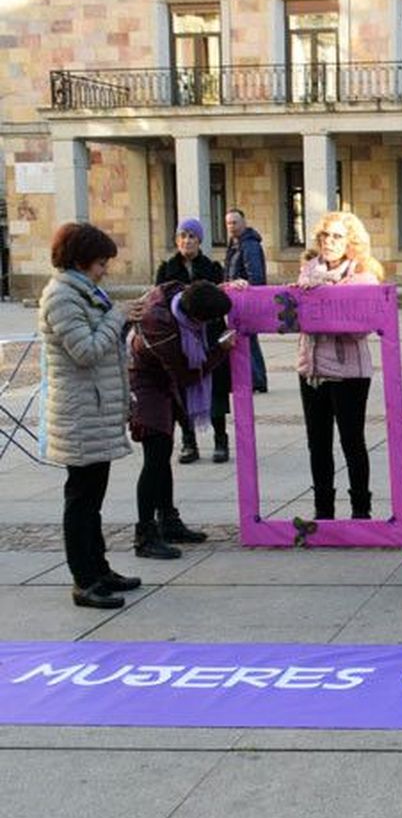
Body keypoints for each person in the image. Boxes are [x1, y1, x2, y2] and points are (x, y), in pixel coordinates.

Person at [37, 222, 147, 609]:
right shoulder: (61, 297)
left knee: (92, 498)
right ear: (81, 260)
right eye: (101, 263)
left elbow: (102, 342)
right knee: (81, 500)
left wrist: (122, 318)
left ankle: (99, 568)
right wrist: (118, 317)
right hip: (79, 413)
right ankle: (84, 580)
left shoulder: (83, 291)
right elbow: (85, 351)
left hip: (94, 410)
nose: (105, 271)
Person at [127, 280, 234, 560]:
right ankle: (145, 535)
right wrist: (220, 351)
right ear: (197, 317)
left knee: (162, 455)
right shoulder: (160, 325)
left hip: (162, 382)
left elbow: (213, 289)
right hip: (145, 383)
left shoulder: (178, 293)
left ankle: (169, 520)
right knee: (156, 457)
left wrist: (236, 285)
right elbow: (187, 375)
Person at [296, 210, 382, 520]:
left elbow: (362, 328)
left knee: (351, 441)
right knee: (317, 444)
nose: (328, 242)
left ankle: (361, 510)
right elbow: (291, 315)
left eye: (336, 237)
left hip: (348, 374)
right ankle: (324, 511)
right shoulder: (307, 272)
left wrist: (324, 303)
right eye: (324, 236)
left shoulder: (363, 276)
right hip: (312, 370)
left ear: (350, 242)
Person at [155, 218, 227, 463]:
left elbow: (221, 299)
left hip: (208, 336)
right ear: (177, 240)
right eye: (183, 236)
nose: (187, 241)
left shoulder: (212, 267)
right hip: (180, 339)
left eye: (192, 237)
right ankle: (189, 442)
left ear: (200, 241)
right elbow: (159, 302)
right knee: (183, 388)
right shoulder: (166, 269)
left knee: (215, 390)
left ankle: (220, 439)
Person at [222, 207, 270, 392]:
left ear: (243, 223)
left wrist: (245, 291)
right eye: (228, 223)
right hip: (235, 299)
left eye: (234, 222)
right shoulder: (234, 244)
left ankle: (257, 380)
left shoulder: (249, 245)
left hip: (245, 300)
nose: (231, 226)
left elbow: (255, 276)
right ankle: (255, 379)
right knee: (247, 339)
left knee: (247, 339)